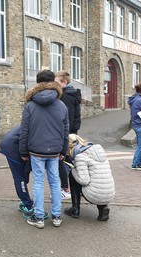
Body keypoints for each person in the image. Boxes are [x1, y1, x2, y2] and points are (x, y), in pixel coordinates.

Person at [19, 69, 69, 229]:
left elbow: (24, 130)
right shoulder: (62, 105)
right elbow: (65, 131)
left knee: (38, 183)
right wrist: (63, 151)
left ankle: (39, 217)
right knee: (55, 182)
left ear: (38, 83)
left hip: (36, 151)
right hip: (54, 151)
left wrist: (23, 152)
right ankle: (56, 216)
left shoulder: (30, 105)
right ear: (53, 82)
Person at [64, 134, 115, 221]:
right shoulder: (98, 151)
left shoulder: (80, 156)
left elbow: (84, 181)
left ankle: (75, 209)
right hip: (109, 194)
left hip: (94, 194)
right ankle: (103, 208)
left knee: (73, 175)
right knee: (98, 180)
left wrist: (73, 170)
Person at [55, 71, 82, 200]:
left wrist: (66, 137)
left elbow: (68, 119)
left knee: (64, 162)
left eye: (57, 82)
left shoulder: (66, 97)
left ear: (64, 82)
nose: (55, 85)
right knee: (67, 162)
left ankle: (66, 189)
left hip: (67, 135)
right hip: (70, 134)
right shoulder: (70, 95)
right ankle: (69, 188)